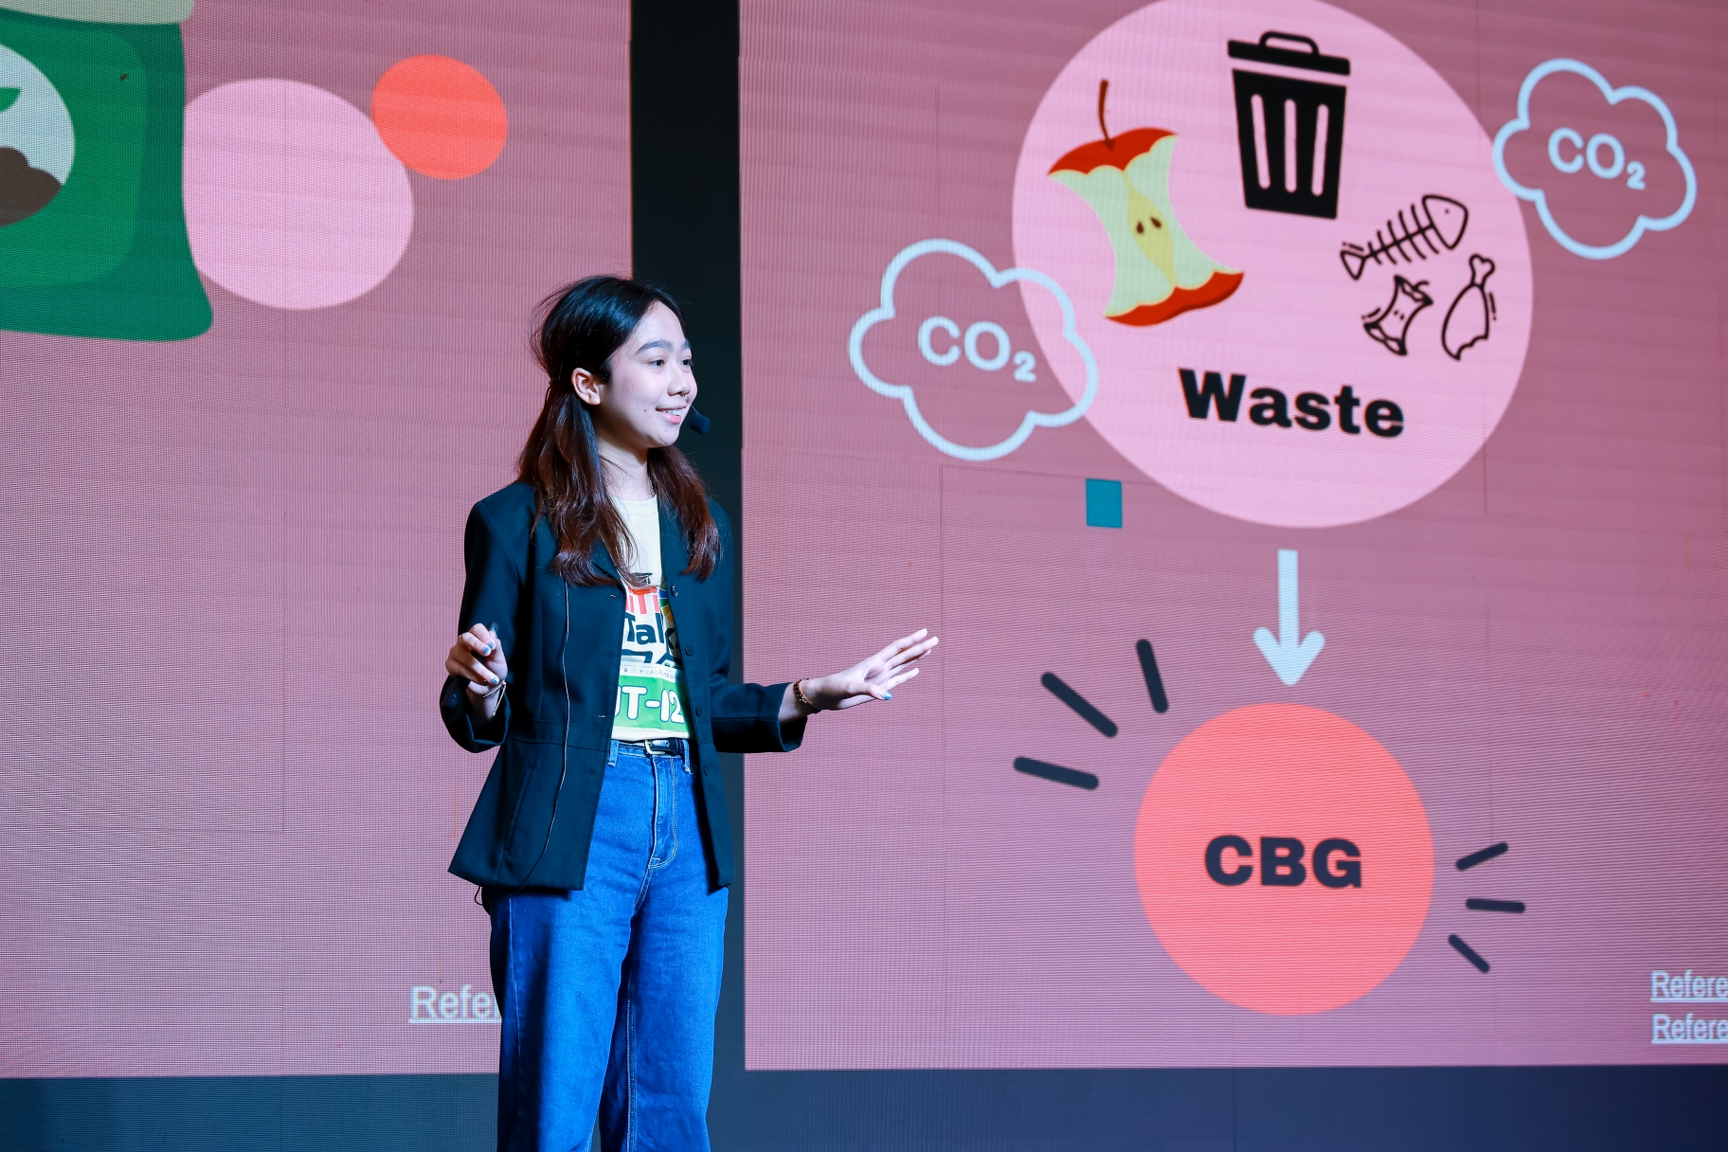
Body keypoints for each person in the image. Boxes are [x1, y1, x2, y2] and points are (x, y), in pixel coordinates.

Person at [439, 275, 936, 1152]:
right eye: (657, 361)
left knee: (670, 1106)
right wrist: (481, 684)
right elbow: (477, 698)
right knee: (555, 1106)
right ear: (589, 383)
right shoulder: (513, 521)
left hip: (687, 824)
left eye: (687, 362)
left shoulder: (701, 526)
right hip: (569, 822)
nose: (682, 383)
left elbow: (703, 701)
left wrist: (807, 694)